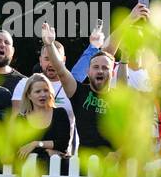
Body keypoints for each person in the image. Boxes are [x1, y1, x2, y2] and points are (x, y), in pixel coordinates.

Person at [42, 23, 115, 152]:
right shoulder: (79, 93)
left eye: (105, 68)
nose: (100, 71)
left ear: (112, 73)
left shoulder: (120, 97)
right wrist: (49, 44)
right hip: (83, 165)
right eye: (96, 67)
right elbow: (61, 71)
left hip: (113, 166)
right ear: (88, 71)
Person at [12, 73, 74, 164]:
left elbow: (62, 144)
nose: (43, 94)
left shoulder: (60, 113)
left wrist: (35, 144)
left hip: (57, 169)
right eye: (38, 91)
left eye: (46, 90)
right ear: (28, 95)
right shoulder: (21, 119)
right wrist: (47, 151)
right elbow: (20, 149)